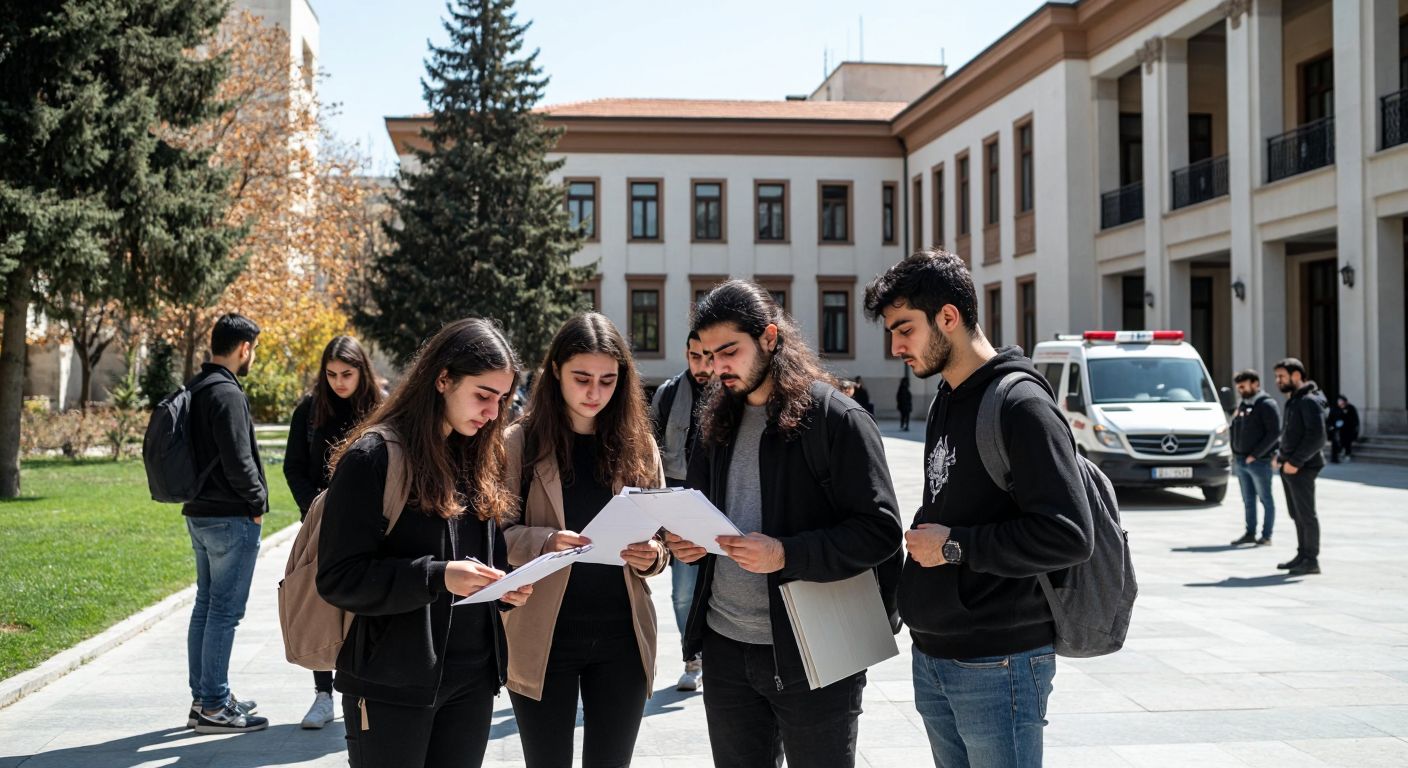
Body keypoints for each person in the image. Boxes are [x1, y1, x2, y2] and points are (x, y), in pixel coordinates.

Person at [863, 251, 1094, 768]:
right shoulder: (947, 396)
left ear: (948, 317)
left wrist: (952, 546)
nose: (896, 346)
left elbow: (1069, 535)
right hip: (937, 654)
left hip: (999, 662)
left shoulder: (1022, 405)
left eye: (905, 330)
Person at [666, 280, 903, 768]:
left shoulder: (836, 417)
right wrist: (689, 543)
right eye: (708, 355)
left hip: (816, 651)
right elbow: (706, 515)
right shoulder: (716, 420)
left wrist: (786, 554)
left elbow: (880, 531)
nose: (716, 367)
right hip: (726, 649)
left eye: (729, 351)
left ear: (770, 338)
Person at [316, 318, 534, 768]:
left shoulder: (478, 456)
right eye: (482, 395)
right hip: (392, 684)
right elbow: (339, 578)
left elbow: (477, 562)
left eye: (502, 399)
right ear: (442, 379)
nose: (494, 413)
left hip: (473, 681)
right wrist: (439, 576)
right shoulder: (373, 457)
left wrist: (502, 588)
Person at [503, 312, 668, 768]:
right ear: (555, 370)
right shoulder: (519, 441)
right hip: (543, 636)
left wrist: (651, 556)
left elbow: (660, 544)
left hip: (622, 638)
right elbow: (493, 535)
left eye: (607, 380)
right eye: (582, 378)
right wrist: (545, 541)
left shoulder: (639, 445)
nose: (594, 393)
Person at [284, 335, 383, 729]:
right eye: (331, 374)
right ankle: (323, 693)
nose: (339, 382)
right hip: (321, 524)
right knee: (321, 603)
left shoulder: (379, 410)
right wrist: (316, 506)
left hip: (374, 524)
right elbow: (293, 467)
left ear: (362, 371)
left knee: (364, 607)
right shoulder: (309, 411)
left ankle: (360, 689)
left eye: (347, 373)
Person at [183, 313, 269, 734]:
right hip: (231, 517)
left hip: (199, 513)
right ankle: (214, 707)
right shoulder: (227, 393)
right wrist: (257, 502)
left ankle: (205, 696)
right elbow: (239, 459)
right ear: (243, 348)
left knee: (205, 607)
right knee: (223, 613)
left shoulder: (198, 388)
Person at [649, 329, 713, 691]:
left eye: (708, 356)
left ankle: (719, 656)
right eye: (694, 356)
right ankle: (693, 658)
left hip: (721, 505)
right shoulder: (669, 393)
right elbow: (651, 455)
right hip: (679, 507)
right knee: (683, 592)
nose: (702, 366)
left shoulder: (732, 392)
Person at [1272, 358, 1328, 576]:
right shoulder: (1296, 400)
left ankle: (1311, 560)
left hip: (1303, 466)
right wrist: (1281, 456)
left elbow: (1317, 437)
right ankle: (1302, 555)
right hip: (1290, 465)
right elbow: (1291, 433)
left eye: (1282, 376)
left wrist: (1295, 462)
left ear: (1296, 375)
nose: (1278, 381)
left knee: (1306, 514)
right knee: (1296, 513)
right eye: (1277, 377)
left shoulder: (1309, 401)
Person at [1229, 369, 1280, 547]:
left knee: (1265, 499)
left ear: (1255, 384)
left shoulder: (1266, 404)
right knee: (1248, 500)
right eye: (1238, 387)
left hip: (1259, 461)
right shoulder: (1243, 405)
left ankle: (1266, 536)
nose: (1240, 390)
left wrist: (1255, 455)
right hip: (1241, 460)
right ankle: (1250, 533)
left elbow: (1274, 433)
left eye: (1243, 386)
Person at [1327, 394, 1359, 463]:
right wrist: (1330, 426)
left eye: (1341, 401)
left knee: (1346, 442)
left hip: (1347, 429)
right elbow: (1330, 418)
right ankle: (1335, 457)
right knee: (1336, 443)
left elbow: (1354, 419)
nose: (1339, 402)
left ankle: (1347, 453)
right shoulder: (1335, 408)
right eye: (1339, 401)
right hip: (1336, 429)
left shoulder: (1350, 408)